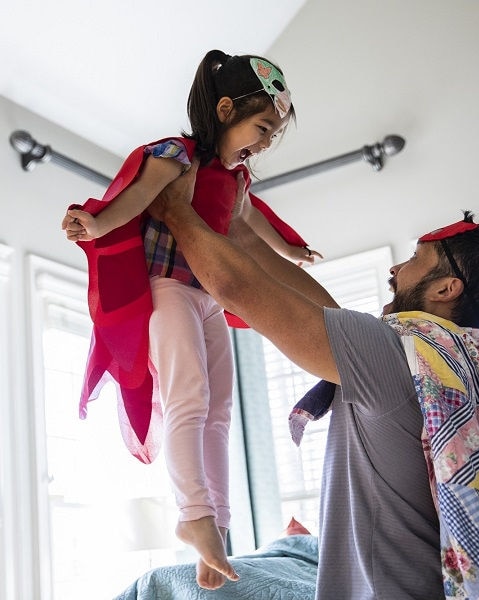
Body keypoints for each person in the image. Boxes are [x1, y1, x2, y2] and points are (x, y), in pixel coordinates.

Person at [98, 161, 479, 600]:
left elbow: (234, 286)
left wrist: (174, 208)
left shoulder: (398, 351)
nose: (395, 270)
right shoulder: (449, 364)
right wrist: (238, 227)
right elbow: (308, 301)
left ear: (444, 289)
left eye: (416, 260)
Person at [61, 50, 322, 590]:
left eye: (273, 133)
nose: (266, 142)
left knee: (221, 410)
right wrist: (93, 222)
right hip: (169, 287)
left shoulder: (237, 177)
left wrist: (294, 253)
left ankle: (217, 528)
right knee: (188, 397)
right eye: (262, 127)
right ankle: (193, 514)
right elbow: (131, 199)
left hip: (208, 295)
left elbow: (255, 223)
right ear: (225, 109)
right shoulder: (177, 156)